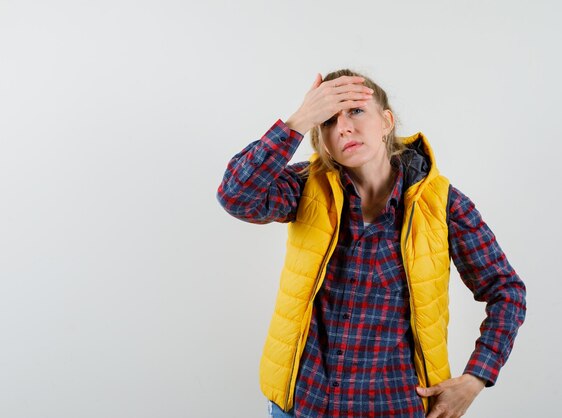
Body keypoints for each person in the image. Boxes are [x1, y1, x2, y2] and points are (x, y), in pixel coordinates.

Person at [216, 69, 526, 418]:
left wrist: (476, 377)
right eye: (328, 121)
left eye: (356, 111)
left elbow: (506, 291)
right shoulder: (305, 187)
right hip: (304, 405)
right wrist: (300, 119)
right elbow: (236, 195)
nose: (344, 127)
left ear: (387, 121)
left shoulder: (443, 204)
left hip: (396, 405)